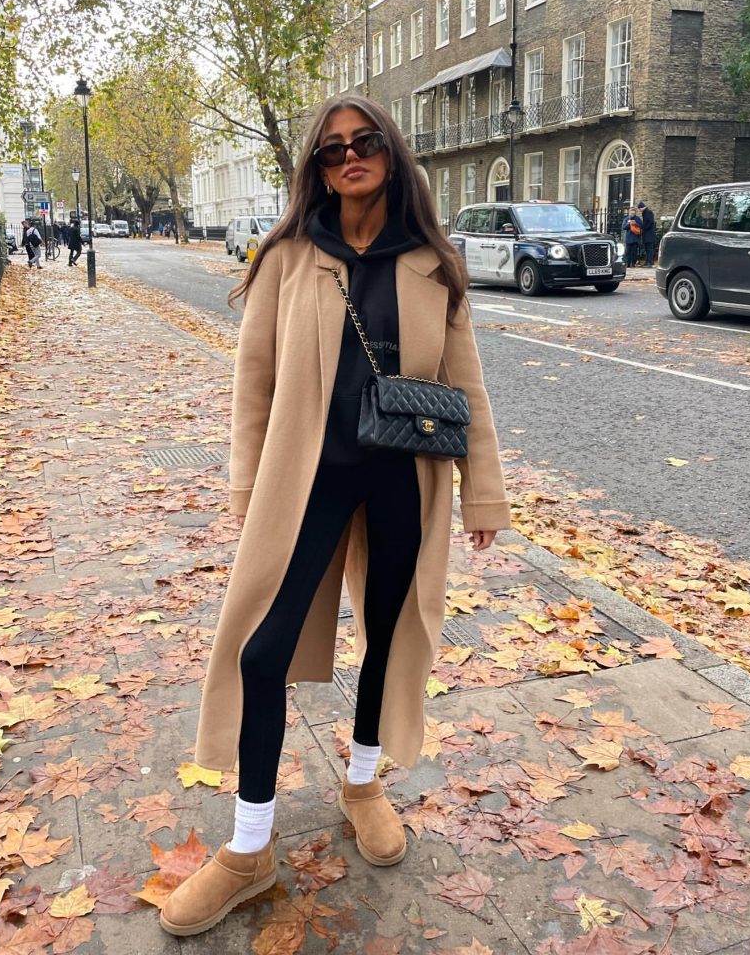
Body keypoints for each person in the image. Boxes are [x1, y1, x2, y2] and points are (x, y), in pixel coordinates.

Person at [158, 95, 510, 938]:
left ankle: (361, 783)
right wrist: (246, 490)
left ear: (391, 152)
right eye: (331, 150)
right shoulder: (287, 256)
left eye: (365, 142)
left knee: (388, 636)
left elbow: (464, 384)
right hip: (305, 480)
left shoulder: (431, 260)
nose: (350, 156)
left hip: (403, 477)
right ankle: (249, 848)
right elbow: (253, 383)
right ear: (315, 170)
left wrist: (482, 491)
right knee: (262, 649)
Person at [637, 201, 656, 267]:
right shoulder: (645, 213)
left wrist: (644, 228)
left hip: (649, 234)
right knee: (646, 248)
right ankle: (647, 261)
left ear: (641, 207)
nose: (639, 211)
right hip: (646, 234)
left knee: (649, 248)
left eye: (639, 209)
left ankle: (649, 262)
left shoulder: (648, 212)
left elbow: (650, 222)